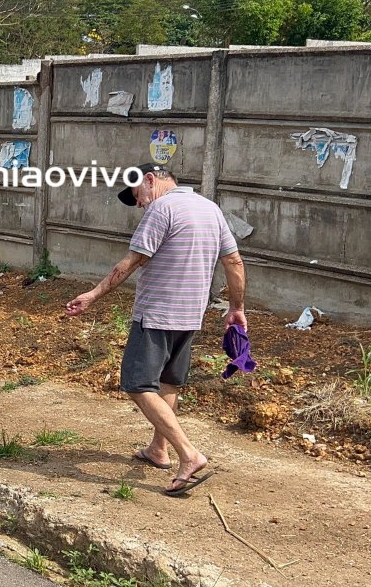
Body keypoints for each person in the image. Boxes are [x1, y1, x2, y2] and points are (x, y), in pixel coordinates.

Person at [63, 164, 246, 497]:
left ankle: (188, 453)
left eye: (137, 196)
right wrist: (237, 309)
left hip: (157, 314)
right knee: (168, 382)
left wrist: (92, 295)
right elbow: (233, 262)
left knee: (136, 383)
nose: (139, 204)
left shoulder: (162, 209)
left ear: (150, 180)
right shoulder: (210, 208)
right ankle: (157, 449)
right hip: (191, 316)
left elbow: (130, 262)